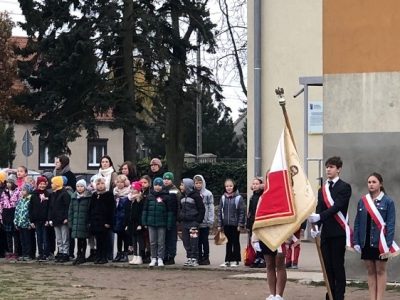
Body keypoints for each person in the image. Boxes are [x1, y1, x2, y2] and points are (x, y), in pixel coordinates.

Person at [308, 156, 352, 300]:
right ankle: (330, 294)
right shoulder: (322, 189)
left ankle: (339, 296)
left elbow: (337, 207)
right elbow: (319, 208)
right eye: (327, 167)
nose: (328, 169)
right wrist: (316, 227)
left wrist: (320, 217)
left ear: (339, 169)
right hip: (326, 233)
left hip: (338, 232)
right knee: (327, 267)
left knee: (337, 266)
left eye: (332, 167)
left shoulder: (344, 187)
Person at [353, 172, 398, 300]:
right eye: (369, 182)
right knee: (370, 270)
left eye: (374, 182)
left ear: (380, 184)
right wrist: (356, 241)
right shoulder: (363, 201)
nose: (371, 185)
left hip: (380, 242)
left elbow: (390, 224)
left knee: (380, 270)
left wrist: (387, 246)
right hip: (366, 241)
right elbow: (357, 223)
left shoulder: (388, 202)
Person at [142, 177, 172, 267]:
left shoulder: (166, 197)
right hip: (151, 223)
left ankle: (160, 258)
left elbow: (169, 211)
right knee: (152, 242)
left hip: (162, 223)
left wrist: (168, 223)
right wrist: (144, 222)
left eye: (159, 185)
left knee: (161, 242)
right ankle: (153, 257)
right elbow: (145, 210)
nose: (157, 187)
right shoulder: (149, 196)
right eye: (156, 185)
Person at [217, 178, 246, 267]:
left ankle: (236, 260)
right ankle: (228, 260)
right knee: (228, 242)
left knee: (235, 242)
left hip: (235, 224)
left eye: (230, 186)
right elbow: (220, 211)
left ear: (234, 186)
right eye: (227, 186)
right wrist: (219, 224)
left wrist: (240, 224)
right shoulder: (223, 197)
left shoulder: (238, 198)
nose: (228, 188)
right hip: (226, 224)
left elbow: (242, 212)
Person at [179, 178, 205, 267]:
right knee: (186, 241)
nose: (180, 186)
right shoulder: (182, 197)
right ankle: (189, 257)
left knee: (194, 241)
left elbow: (201, 209)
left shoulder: (196, 196)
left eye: (182, 185)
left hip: (193, 222)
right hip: (184, 223)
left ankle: (195, 258)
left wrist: (198, 220)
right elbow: (180, 208)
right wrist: (180, 217)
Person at [88, 177, 115, 264]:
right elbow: (91, 208)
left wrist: (108, 222)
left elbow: (111, 209)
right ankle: (98, 256)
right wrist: (90, 221)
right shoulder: (94, 195)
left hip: (105, 221)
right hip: (96, 221)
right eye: (98, 184)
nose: (100, 186)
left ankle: (104, 256)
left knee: (105, 240)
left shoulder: (109, 195)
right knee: (98, 240)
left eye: (102, 184)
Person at [253, 235, 287, 300]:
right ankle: (272, 294)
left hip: (281, 235)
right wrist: (255, 238)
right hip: (265, 236)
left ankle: (279, 295)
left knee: (280, 264)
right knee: (269, 265)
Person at [48, 176, 71, 263]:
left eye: (53, 183)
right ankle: (60, 252)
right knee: (58, 238)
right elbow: (50, 207)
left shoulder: (64, 194)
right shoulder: (53, 194)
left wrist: (66, 217)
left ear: (57, 184)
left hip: (63, 219)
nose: (51, 184)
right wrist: (50, 218)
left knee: (65, 237)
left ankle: (66, 253)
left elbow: (67, 207)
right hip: (55, 219)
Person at [69, 179, 91, 265]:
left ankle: (83, 255)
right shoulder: (74, 197)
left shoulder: (88, 197)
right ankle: (78, 255)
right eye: (78, 186)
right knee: (78, 240)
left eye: (81, 186)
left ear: (85, 187)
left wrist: (89, 222)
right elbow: (70, 210)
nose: (80, 188)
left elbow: (89, 210)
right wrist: (71, 222)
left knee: (83, 239)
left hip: (84, 222)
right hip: (76, 222)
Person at [193, 174, 214, 265]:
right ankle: (199, 257)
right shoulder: (193, 194)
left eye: (200, 183)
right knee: (196, 240)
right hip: (196, 221)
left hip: (205, 221)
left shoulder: (208, 194)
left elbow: (211, 207)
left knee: (204, 240)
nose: (198, 185)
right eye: (196, 183)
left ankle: (206, 257)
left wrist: (210, 219)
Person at [0, 174, 22, 260]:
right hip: (6, 214)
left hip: (14, 213)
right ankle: (10, 251)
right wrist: (1, 216)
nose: (9, 184)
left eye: (10, 182)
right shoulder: (4, 192)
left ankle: (16, 252)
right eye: (8, 182)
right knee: (8, 235)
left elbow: (19, 203)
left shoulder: (18, 191)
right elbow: (1, 204)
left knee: (15, 235)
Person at [29, 176, 50, 261]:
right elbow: (31, 208)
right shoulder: (34, 194)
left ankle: (46, 253)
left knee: (45, 238)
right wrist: (31, 220)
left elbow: (49, 208)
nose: (42, 185)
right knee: (39, 238)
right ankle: (40, 253)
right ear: (38, 184)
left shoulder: (48, 194)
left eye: (44, 184)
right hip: (36, 220)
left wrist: (48, 219)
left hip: (44, 220)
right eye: (40, 184)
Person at [246, 177, 265, 268]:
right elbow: (250, 212)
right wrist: (248, 223)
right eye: (253, 184)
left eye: (257, 184)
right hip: (253, 221)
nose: (254, 185)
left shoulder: (263, 196)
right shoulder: (252, 197)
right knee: (253, 241)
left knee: (258, 240)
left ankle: (262, 257)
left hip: (260, 221)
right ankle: (258, 256)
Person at [112, 174, 131, 262]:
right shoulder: (115, 193)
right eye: (118, 182)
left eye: (122, 182)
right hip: (117, 217)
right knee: (119, 236)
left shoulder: (128, 193)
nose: (119, 184)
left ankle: (125, 253)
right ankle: (119, 253)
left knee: (125, 236)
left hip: (125, 217)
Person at [162, 172, 180, 265]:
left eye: (168, 179)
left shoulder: (175, 191)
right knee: (164, 238)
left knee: (172, 238)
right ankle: (164, 255)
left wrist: (177, 218)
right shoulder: (161, 190)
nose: (166, 181)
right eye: (164, 179)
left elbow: (178, 206)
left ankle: (171, 256)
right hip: (163, 218)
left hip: (172, 217)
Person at [14, 183, 34, 261]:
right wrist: (15, 221)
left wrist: (30, 222)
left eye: (24, 190)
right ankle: (24, 253)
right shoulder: (20, 200)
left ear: (28, 191)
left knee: (27, 239)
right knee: (22, 240)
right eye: (21, 190)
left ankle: (28, 254)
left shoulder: (30, 200)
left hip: (27, 223)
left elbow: (30, 212)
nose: (22, 192)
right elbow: (17, 211)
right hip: (20, 223)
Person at [126, 181, 144, 265]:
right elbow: (129, 212)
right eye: (132, 189)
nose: (133, 190)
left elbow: (141, 213)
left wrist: (140, 224)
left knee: (139, 240)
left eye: (134, 189)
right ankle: (135, 255)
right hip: (131, 223)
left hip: (138, 223)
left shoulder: (140, 199)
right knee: (133, 241)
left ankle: (140, 256)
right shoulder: (130, 199)